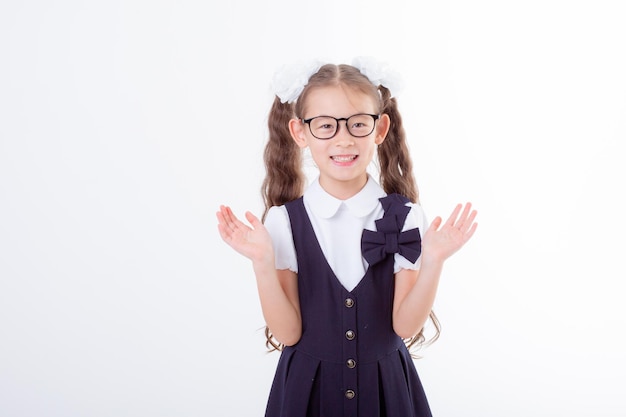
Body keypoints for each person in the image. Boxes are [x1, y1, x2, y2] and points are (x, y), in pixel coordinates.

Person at [216, 57, 477, 417]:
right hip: (307, 394)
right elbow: (288, 333)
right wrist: (262, 263)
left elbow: (404, 326)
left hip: (388, 391)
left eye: (358, 124)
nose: (343, 139)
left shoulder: (404, 217)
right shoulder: (282, 223)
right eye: (325, 125)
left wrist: (433, 261)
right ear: (300, 132)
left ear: (380, 129)